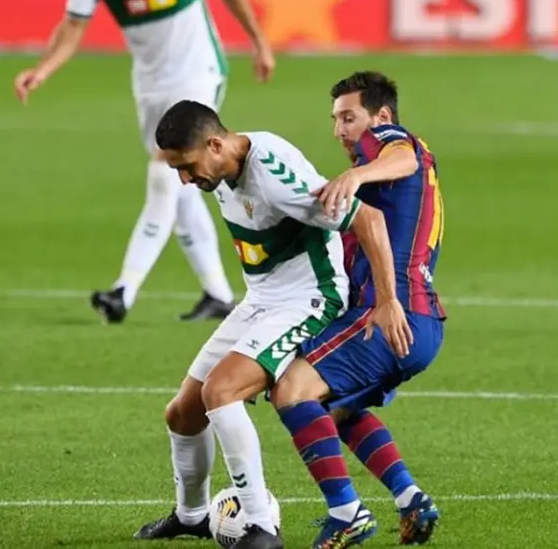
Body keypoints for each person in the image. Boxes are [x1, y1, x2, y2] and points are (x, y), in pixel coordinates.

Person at [132, 99, 402, 546]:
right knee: (183, 413)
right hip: (262, 300)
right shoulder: (221, 167)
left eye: (187, 166)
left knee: (221, 391)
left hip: (310, 299)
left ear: (215, 144)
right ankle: (193, 514)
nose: (184, 179)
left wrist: (387, 300)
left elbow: (367, 218)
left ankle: (260, 525)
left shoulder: (274, 176)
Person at [235, 71, 446, 549]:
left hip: (392, 315)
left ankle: (346, 512)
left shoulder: (389, 144)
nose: (340, 130)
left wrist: (356, 174)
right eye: (335, 120)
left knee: (291, 388)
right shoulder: (383, 190)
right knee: (339, 405)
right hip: (417, 318)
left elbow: (404, 156)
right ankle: (410, 498)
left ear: (381, 116)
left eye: (349, 117)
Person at [14, 0, 276, 323]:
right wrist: (42, 70)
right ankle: (217, 293)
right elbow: (74, 23)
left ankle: (125, 289)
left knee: (163, 174)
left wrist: (258, 41)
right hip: (150, 85)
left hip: (198, 72)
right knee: (179, 185)